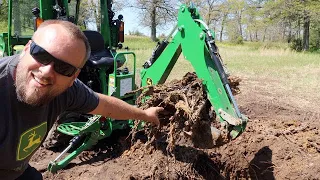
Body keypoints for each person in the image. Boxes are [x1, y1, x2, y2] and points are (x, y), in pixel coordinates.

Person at [0, 20, 163, 180]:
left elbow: (105, 105)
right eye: (41, 54)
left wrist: (145, 115)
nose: (46, 71)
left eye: (64, 68)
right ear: (27, 48)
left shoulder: (68, 89)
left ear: (74, 77)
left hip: (16, 171)